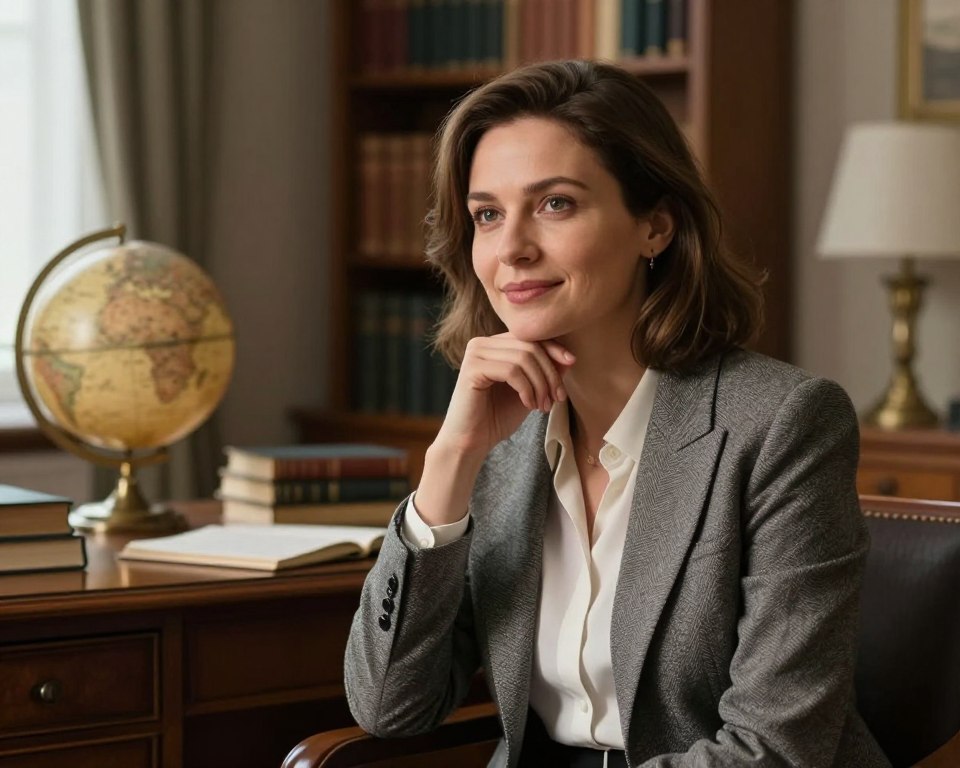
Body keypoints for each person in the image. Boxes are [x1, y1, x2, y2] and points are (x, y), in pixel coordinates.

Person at [344, 60, 890, 767]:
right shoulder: (499, 444)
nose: (511, 247)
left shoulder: (781, 423)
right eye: (487, 214)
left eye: (555, 204)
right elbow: (391, 707)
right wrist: (449, 464)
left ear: (655, 227)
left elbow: (774, 751)